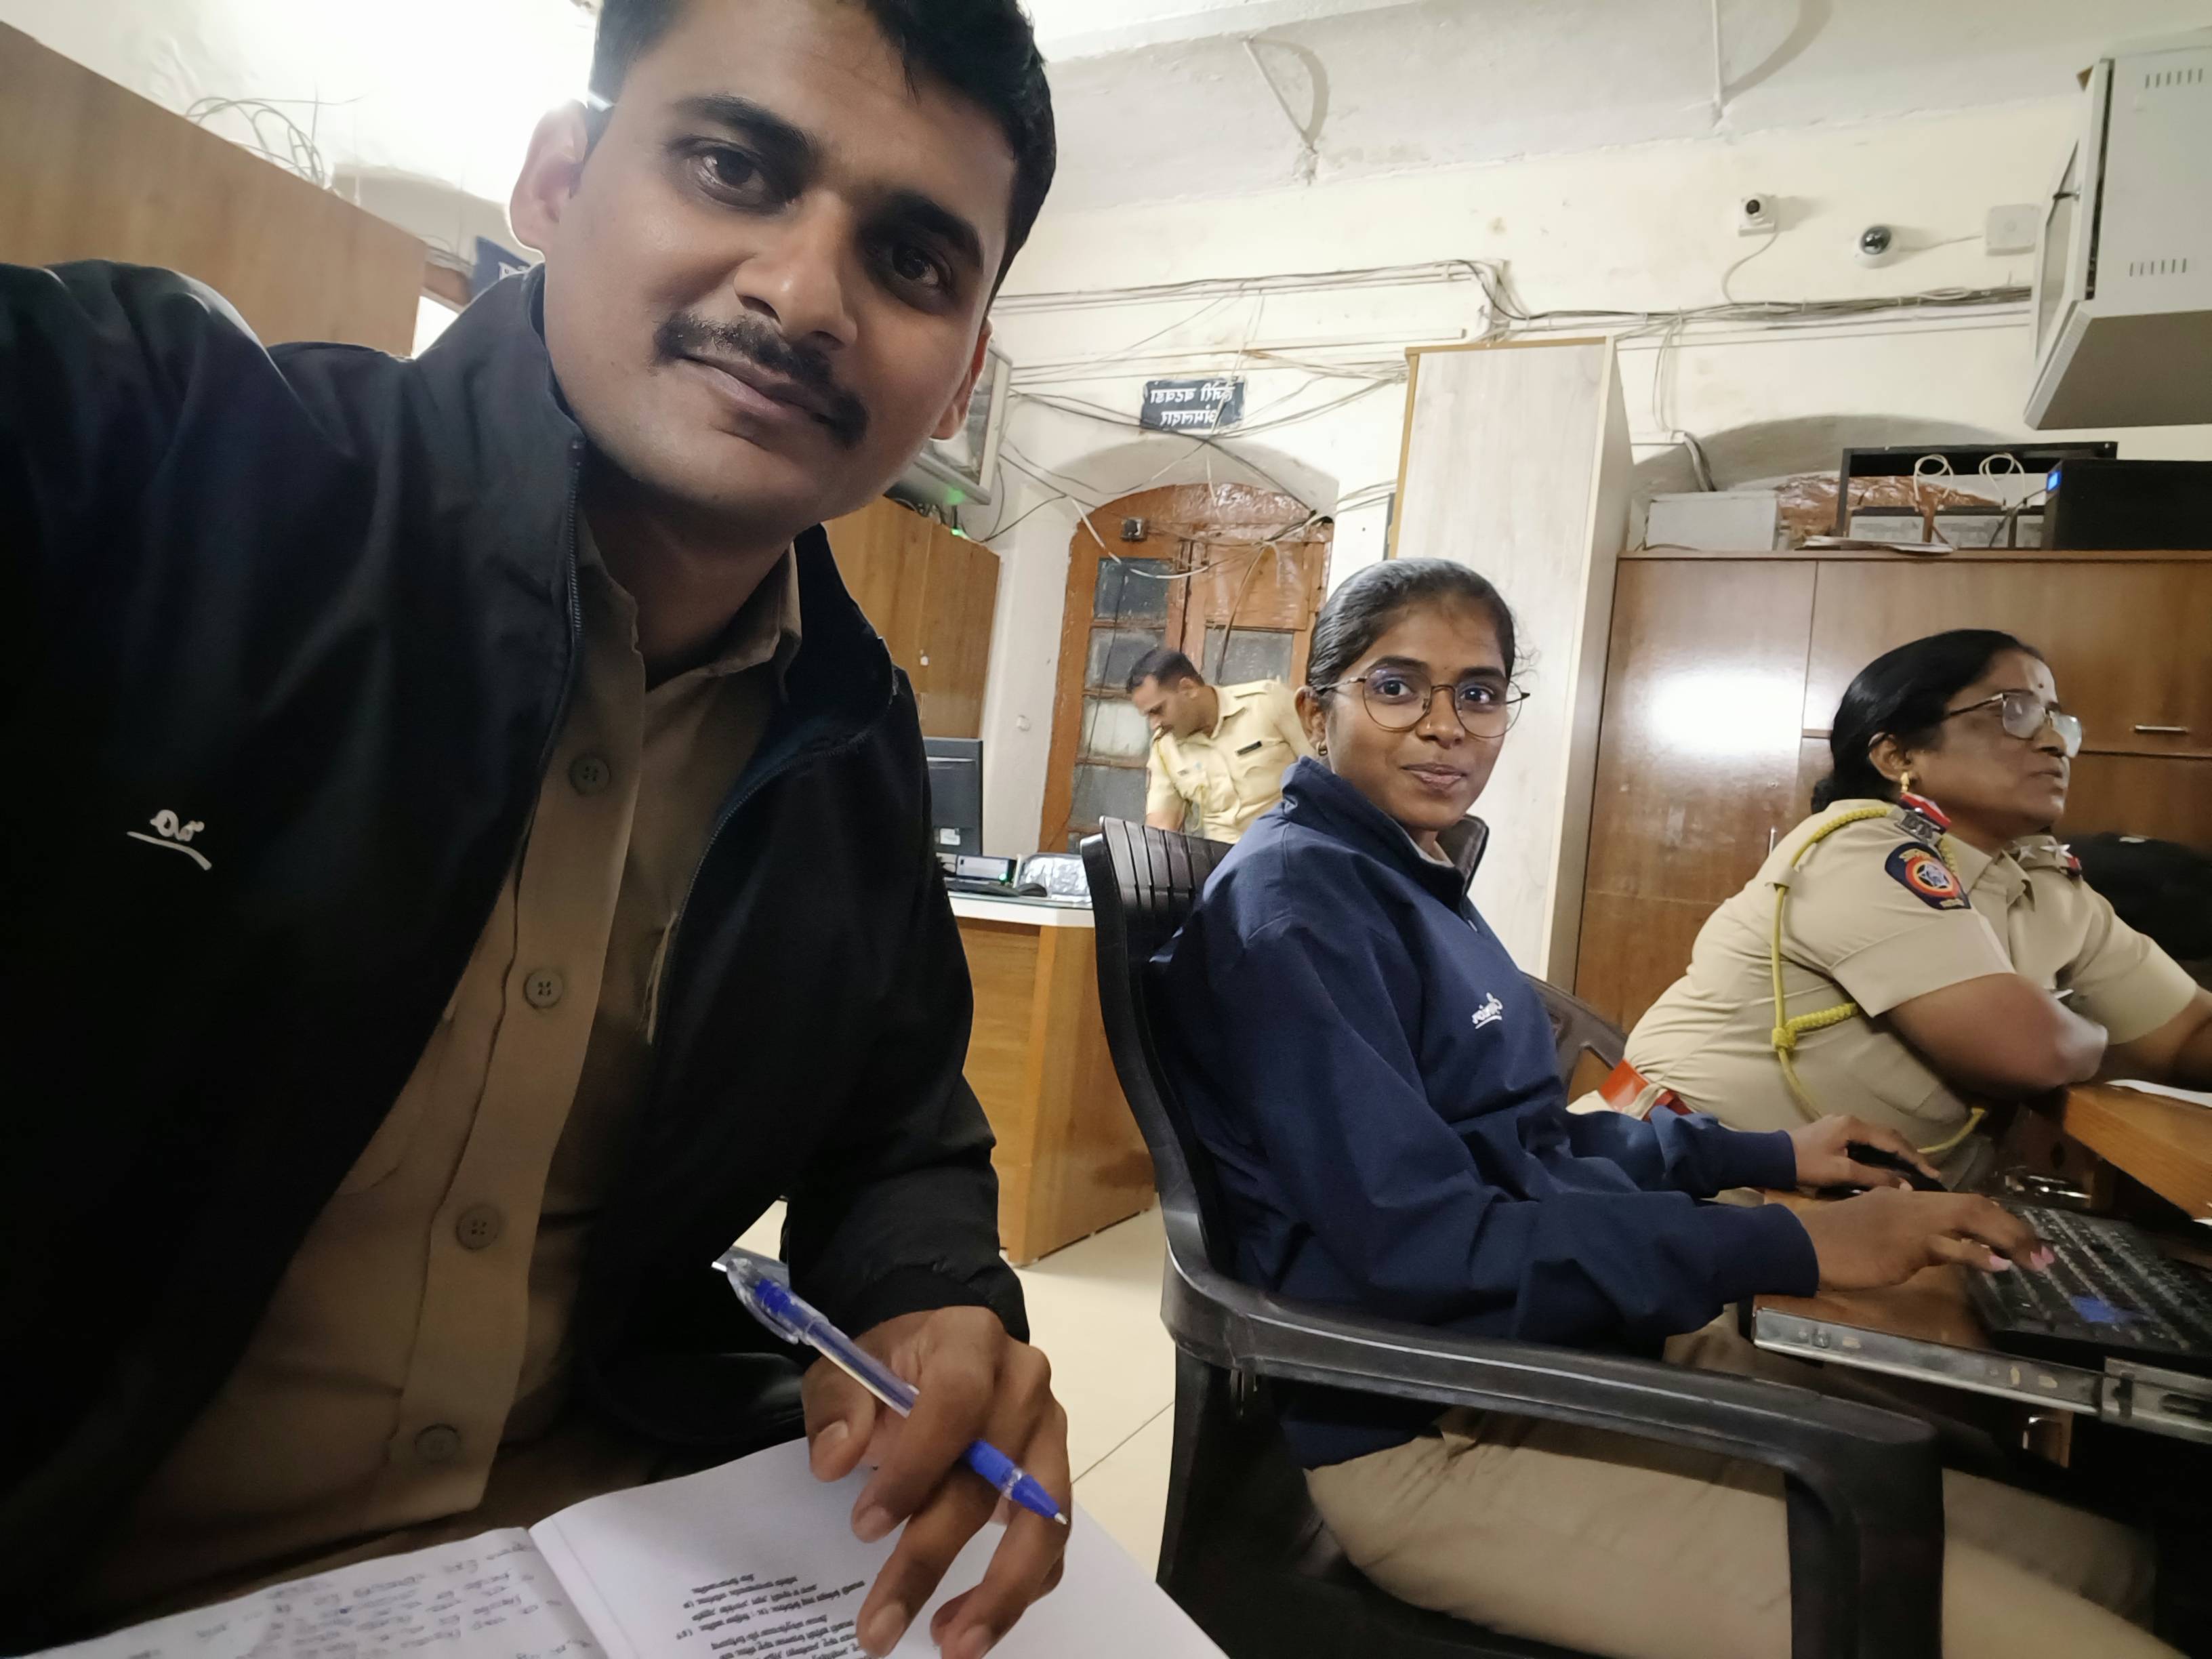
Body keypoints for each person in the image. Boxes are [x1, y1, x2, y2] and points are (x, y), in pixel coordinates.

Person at [0, 3, 1065, 1656]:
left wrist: (933, 1294)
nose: (804, 295)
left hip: (599, 1552)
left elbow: (900, 1122)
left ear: (959, 381)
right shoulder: (157, 451)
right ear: (557, 182)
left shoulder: (848, 735)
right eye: (734, 167)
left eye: (914, 260)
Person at [1150, 561, 2176, 1659]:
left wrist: (1769, 1153)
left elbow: (1530, 1146)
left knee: (2118, 1566)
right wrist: (1797, 1242)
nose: (1445, 725)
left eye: (1479, 692)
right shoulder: (1299, 902)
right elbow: (1422, 1243)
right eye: (1396, 687)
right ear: (1316, 712)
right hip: (1435, 1422)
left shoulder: (1406, 876)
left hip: (1540, 1359)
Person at [1621, 630, 2212, 1161]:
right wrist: (2101, 1034)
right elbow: (2029, 1052)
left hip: (1829, 1206)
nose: (2056, 742)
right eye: (2017, 712)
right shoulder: (1860, 851)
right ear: (1898, 755)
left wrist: (2080, 1030)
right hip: (1670, 1180)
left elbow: (2188, 1035)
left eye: (2059, 721)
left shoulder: (2048, 887)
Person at [1129, 647, 1315, 842]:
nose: (1154, 724)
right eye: (1148, 716)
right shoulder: (1165, 748)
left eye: (1158, 710)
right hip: (1223, 856)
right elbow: (1161, 828)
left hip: (1289, 842)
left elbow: (1324, 771)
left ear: (1188, 688)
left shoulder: (1267, 703)